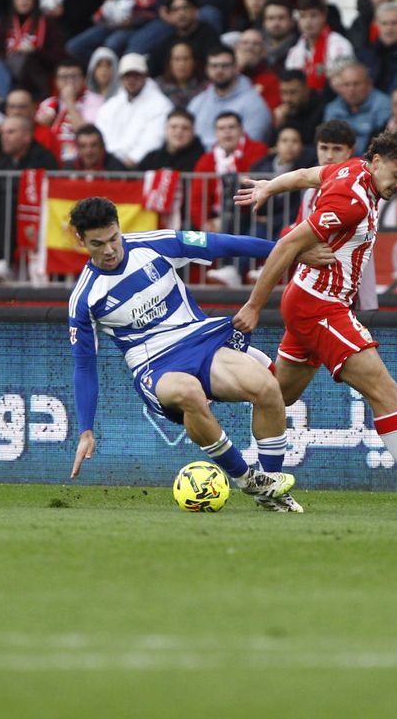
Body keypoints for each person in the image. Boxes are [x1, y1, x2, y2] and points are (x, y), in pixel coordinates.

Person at [231, 128, 397, 514]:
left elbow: (308, 174)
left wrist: (268, 188)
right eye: (396, 175)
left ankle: (221, 379)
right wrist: (254, 306)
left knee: (277, 394)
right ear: (377, 161)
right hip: (321, 305)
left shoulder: (351, 170)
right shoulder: (352, 200)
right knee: (384, 389)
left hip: (309, 298)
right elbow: (287, 245)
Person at [66, 195, 304, 512]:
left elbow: (222, 244)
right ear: (80, 239)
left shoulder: (155, 244)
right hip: (154, 366)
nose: (109, 250)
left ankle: (270, 491)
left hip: (198, 339)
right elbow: (84, 368)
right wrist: (85, 430)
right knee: (189, 392)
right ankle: (246, 478)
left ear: (120, 227)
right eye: (98, 244)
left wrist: (290, 251)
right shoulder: (84, 298)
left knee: (267, 388)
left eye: (113, 238)